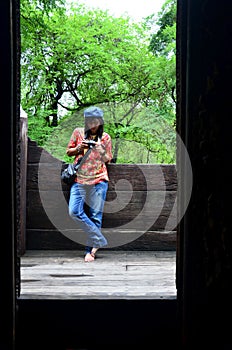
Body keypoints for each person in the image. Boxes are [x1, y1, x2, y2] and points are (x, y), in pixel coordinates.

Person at [66, 106, 113, 262]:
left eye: (96, 121)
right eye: (90, 121)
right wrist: (79, 148)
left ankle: (90, 252)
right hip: (79, 179)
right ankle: (98, 238)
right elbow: (68, 151)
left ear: (100, 122)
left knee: (95, 215)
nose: (93, 124)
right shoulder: (78, 133)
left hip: (99, 179)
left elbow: (108, 159)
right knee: (74, 211)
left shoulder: (105, 137)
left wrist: (100, 149)